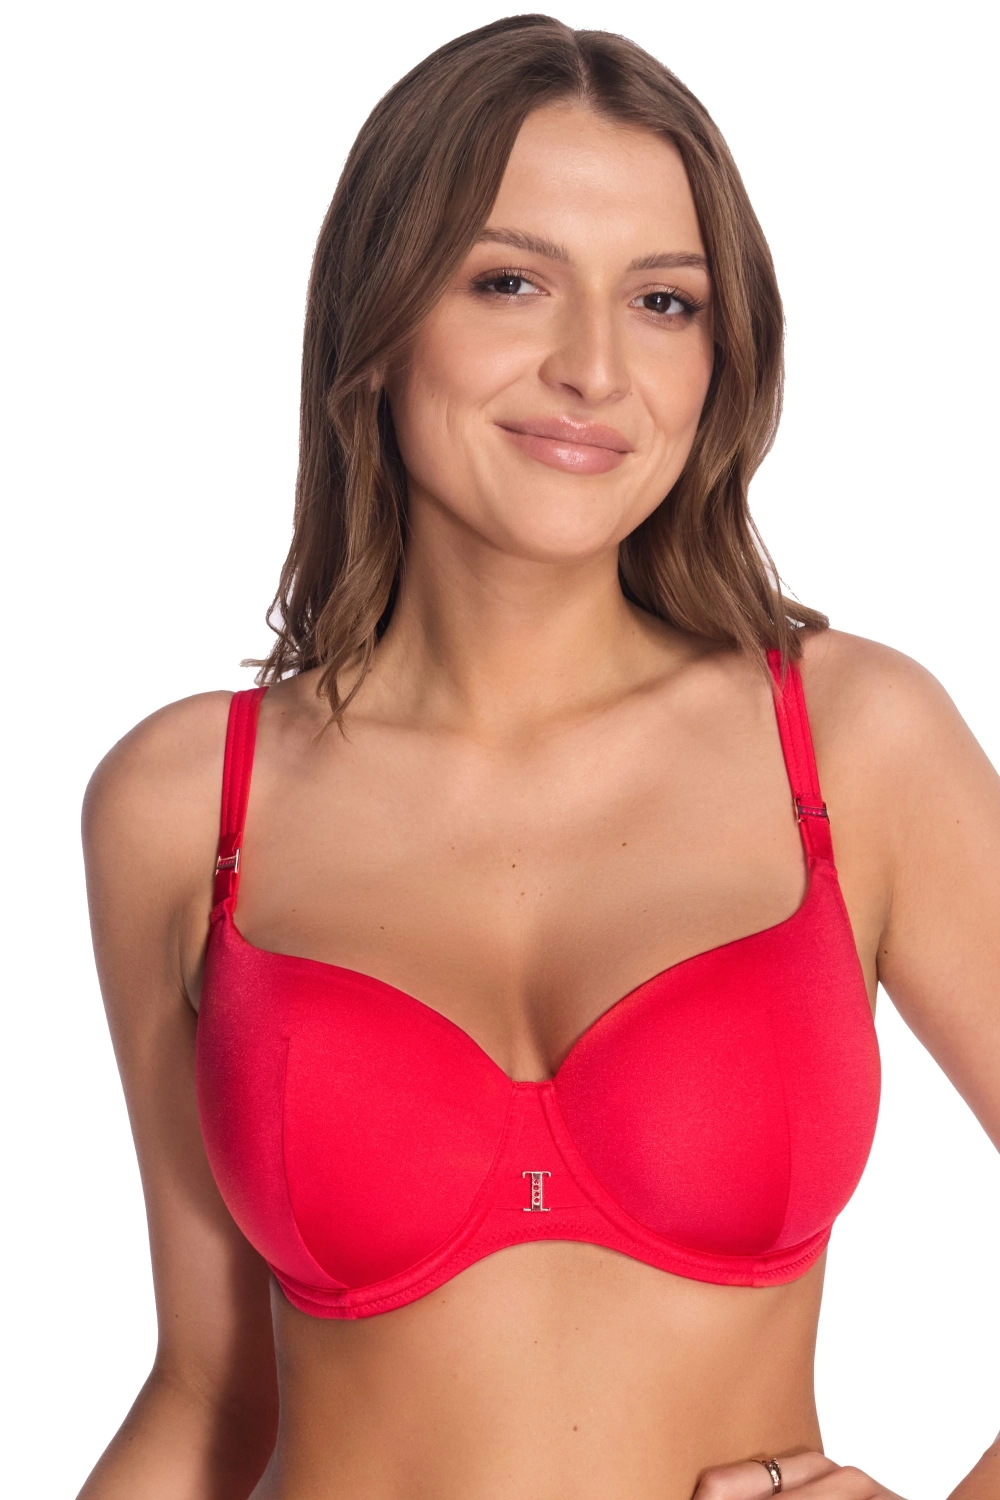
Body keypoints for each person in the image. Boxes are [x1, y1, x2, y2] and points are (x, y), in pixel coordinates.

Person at [77, 14, 1000, 1500]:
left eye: (664, 302)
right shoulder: (188, 802)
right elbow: (209, 1394)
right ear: (381, 316)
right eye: (510, 282)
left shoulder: (850, 744)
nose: (593, 369)